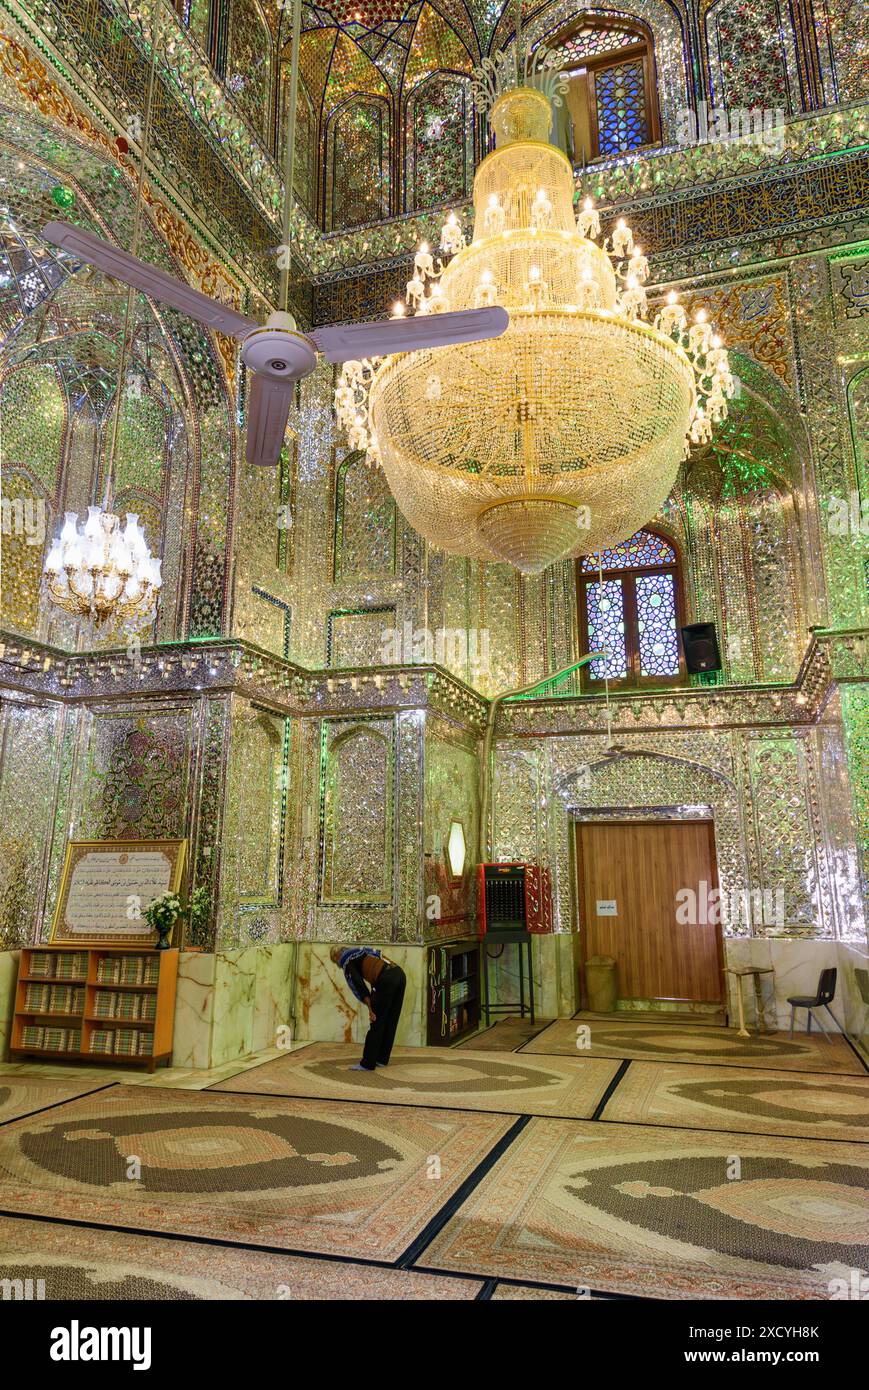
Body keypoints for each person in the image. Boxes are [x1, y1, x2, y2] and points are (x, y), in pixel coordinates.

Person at [329, 945, 406, 1071]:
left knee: (376, 1021)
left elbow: (358, 985)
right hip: (399, 974)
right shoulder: (361, 950)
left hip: (385, 979)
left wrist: (371, 1007)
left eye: (336, 962)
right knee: (391, 1020)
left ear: (337, 956)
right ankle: (381, 1059)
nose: (339, 965)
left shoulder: (346, 959)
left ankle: (367, 1063)